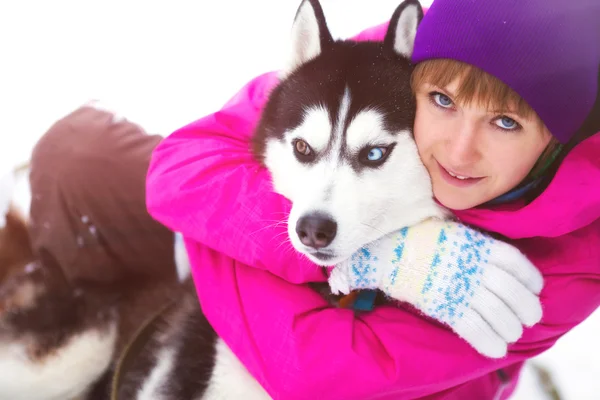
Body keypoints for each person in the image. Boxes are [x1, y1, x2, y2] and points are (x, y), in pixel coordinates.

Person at [144, 0, 600, 399]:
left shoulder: (570, 263)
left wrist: (217, 245)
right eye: (442, 100)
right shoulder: (380, 66)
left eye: (505, 124)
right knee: (90, 164)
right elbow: (178, 168)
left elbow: (310, 374)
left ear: (556, 142)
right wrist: (382, 252)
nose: (459, 151)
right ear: (419, 75)